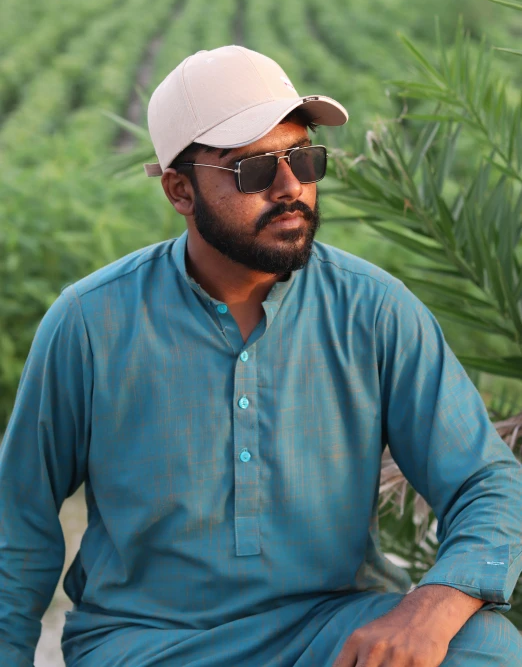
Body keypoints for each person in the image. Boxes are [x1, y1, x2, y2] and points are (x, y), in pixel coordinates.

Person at [0, 45, 520, 667]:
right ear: (180, 191)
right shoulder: (91, 323)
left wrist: (435, 601)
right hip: (149, 643)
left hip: (331, 627)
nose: (291, 186)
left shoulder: (374, 310)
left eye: (303, 157)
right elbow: (16, 525)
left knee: (483, 649)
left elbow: (485, 478)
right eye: (252, 169)